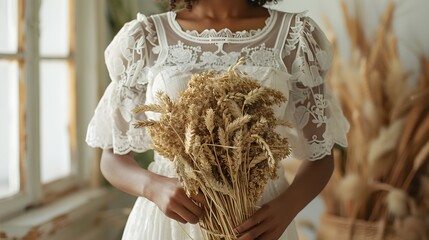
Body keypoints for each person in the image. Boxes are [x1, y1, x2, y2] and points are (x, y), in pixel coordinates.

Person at [86, 0, 349, 239]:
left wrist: (286, 207)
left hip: (258, 220)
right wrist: (153, 186)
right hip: (170, 223)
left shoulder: (296, 36)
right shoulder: (145, 38)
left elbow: (320, 156)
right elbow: (112, 158)